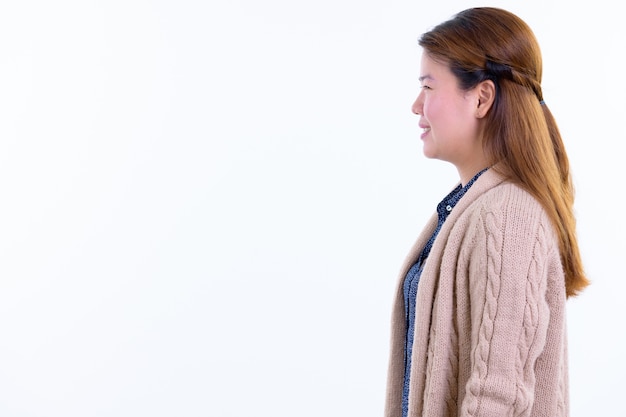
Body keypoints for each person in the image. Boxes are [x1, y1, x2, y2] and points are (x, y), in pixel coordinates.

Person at [384, 7, 589, 417]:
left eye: (428, 86)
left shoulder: (509, 215)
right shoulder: (468, 206)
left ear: (481, 97)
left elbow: (499, 396)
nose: (415, 106)